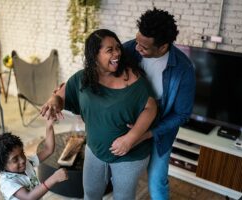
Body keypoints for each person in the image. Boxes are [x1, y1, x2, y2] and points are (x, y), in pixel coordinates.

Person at [40, 29, 157, 200]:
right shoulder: (84, 78)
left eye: (118, 47)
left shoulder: (131, 77)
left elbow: (151, 108)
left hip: (129, 155)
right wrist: (53, 100)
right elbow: (60, 95)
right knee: (91, 194)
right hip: (95, 150)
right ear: (94, 55)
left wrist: (130, 138)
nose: (117, 53)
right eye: (110, 50)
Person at [121, 7, 196, 200]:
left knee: (157, 180)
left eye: (144, 47)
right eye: (137, 41)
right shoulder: (128, 49)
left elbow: (181, 114)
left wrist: (147, 133)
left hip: (159, 132)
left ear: (163, 47)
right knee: (120, 176)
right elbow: (97, 71)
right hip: (126, 123)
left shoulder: (183, 69)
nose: (136, 47)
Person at [0, 119, 68, 200]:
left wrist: (49, 126)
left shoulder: (27, 163)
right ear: (2, 165)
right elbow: (29, 197)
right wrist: (53, 179)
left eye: (22, 153)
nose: (22, 160)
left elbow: (48, 150)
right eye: (15, 159)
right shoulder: (7, 182)